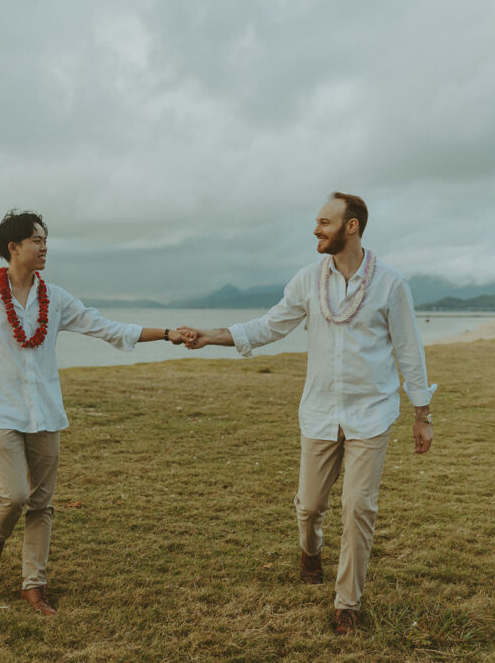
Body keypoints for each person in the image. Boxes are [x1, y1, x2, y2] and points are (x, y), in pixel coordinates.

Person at [179, 192, 437, 635]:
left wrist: (422, 413)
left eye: (324, 222)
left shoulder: (391, 284)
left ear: (350, 227)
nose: (315, 230)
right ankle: (310, 551)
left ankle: (347, 603)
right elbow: (268, 326)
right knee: (309, 507)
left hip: (371, 413)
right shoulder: (307, 280)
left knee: (358, 506)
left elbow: (409, 351)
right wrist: (211, 336)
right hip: (319, 412)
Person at [0, 210, 187, 616]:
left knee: (42, 503)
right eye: (36, 240)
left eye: (45, 240)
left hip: (48, 417)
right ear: (13, 247)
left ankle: (33, 586)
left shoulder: (55, 298)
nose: (44, 247)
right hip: (3, 414)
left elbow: (105, 327)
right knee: (15, 495)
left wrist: (166, 333)